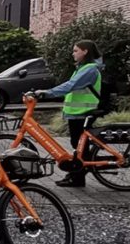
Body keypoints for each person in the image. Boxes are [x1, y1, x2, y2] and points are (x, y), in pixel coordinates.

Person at [37, 40, 104, 187]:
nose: (73, 54)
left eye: (75, 51)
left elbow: (71, 86)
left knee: (80, 145)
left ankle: (78, 176)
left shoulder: (90, 69)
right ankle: (77, 175)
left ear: (85, 51)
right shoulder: (82, 68)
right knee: (78, 145)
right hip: (77, 112)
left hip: (83, 112)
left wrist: (47, 93)